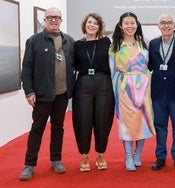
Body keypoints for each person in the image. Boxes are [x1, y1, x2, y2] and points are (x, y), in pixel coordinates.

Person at [19, 7, 75, 181]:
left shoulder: (69, 41)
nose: (53, 20)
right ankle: (29, 164)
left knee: (58, 128)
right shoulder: (34, 41)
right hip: (42, 95)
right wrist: (29, 91)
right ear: (45, 20)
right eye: (50, 17)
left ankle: (56, 160)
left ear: (61, 20)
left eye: (56, 17)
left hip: (62, 94)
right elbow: (26, 69)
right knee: (37, 129)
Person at [109, 12, 155, 171]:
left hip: (143, 88)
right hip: (124, 89)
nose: (130, 26)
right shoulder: (114, 45)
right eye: (126, 23)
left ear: (137, 24)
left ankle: (138, 154)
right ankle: (128, 156)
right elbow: (111, 70)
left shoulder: (145, 43)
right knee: (127, 124)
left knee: (143, 122)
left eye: (132, 23)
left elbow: (150, 66)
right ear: (121, 25)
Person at [72, 13, 114, 172]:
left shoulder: (106, 42)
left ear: (99, 27)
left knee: (103, 120)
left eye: (95, 23)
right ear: (85, 25)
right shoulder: (77, 45)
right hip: (83, 84)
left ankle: (100, 155)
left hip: (104, 83)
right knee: (83, 120)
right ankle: (84, 156)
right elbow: (74, 66)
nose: (91, 25)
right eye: (89, 22)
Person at [148, 13, 175, 171]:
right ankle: (160, 157)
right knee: (160, 126)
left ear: (174, 25)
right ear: (158, 26)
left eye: (169, 23)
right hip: (158, 93)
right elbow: (149, 66)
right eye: (163, 23)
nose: (166, 25)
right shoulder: (153, 43)